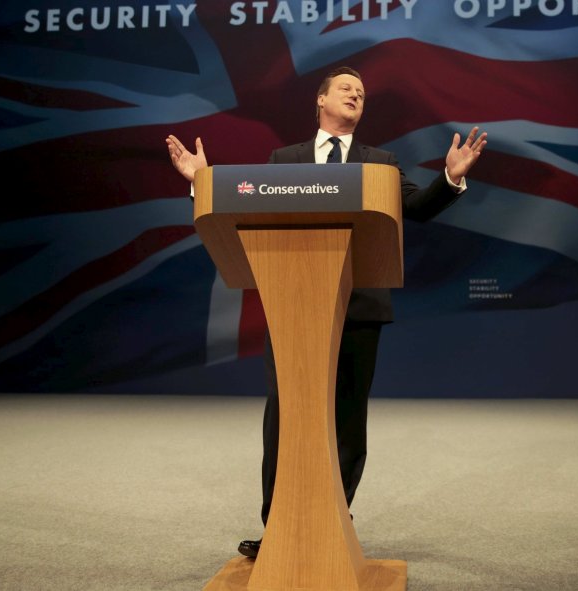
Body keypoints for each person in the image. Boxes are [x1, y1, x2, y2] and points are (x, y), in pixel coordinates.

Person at [166, 66, 486, 558]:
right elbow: (249, 211)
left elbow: (417, 208)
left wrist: (449, 178)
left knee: (347, 421)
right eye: (346, 88)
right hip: (293, 306)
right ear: (320, 101)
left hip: (359, 307)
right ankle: (277, 528)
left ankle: (336, 518)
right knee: (287, 416)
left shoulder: (379, 163)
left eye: (361, 92)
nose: (357, 94)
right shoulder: (284, 159)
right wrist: (202, 182)